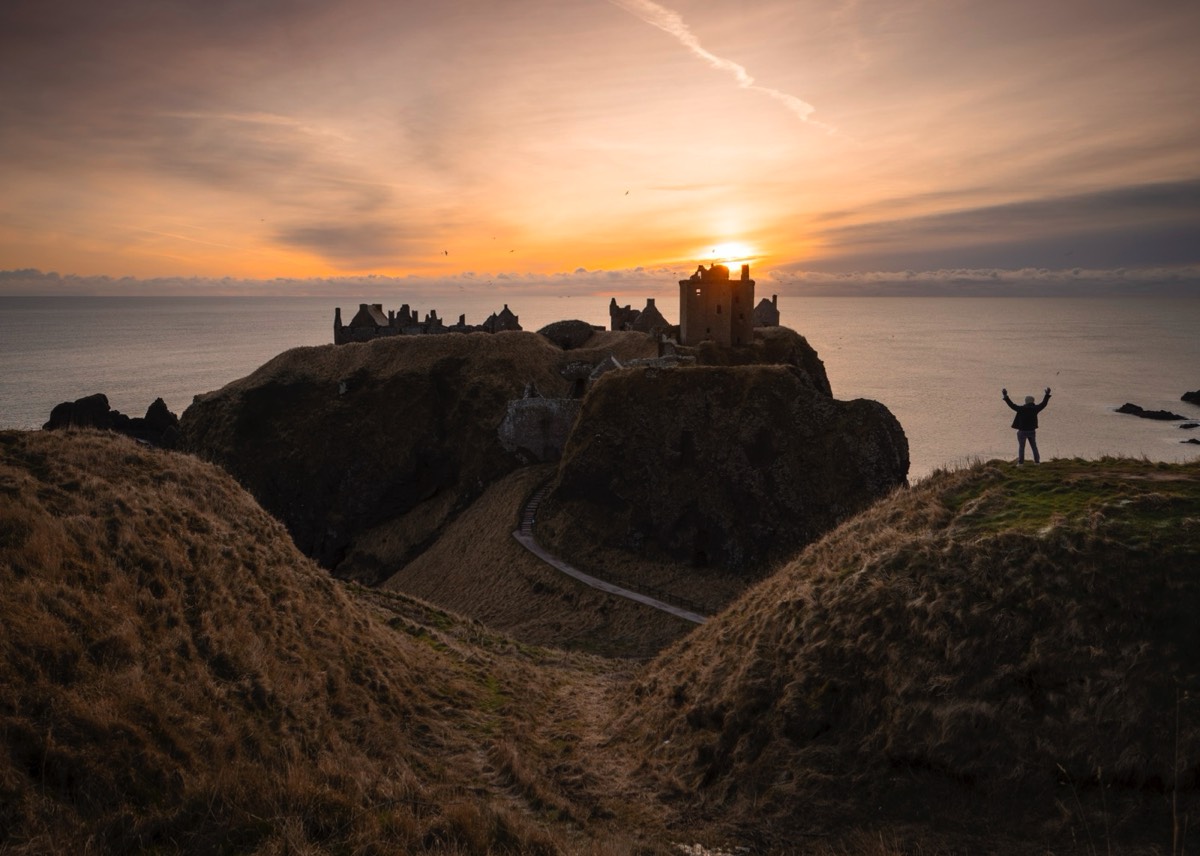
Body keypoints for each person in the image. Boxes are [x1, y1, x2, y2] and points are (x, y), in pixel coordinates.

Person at [1002, 387, 1051, 464]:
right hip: (1032, 431)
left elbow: (1012, 405)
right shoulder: (1035, 409)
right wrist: (1047, 395)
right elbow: (1043, 404)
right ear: (1033, 401)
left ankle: (1021, 463)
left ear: (1026, 401)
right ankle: (1037, 462)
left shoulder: (1021, 409)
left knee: (1022, 448)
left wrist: (1005, 396)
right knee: (1034, 447)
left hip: (1022, 431)